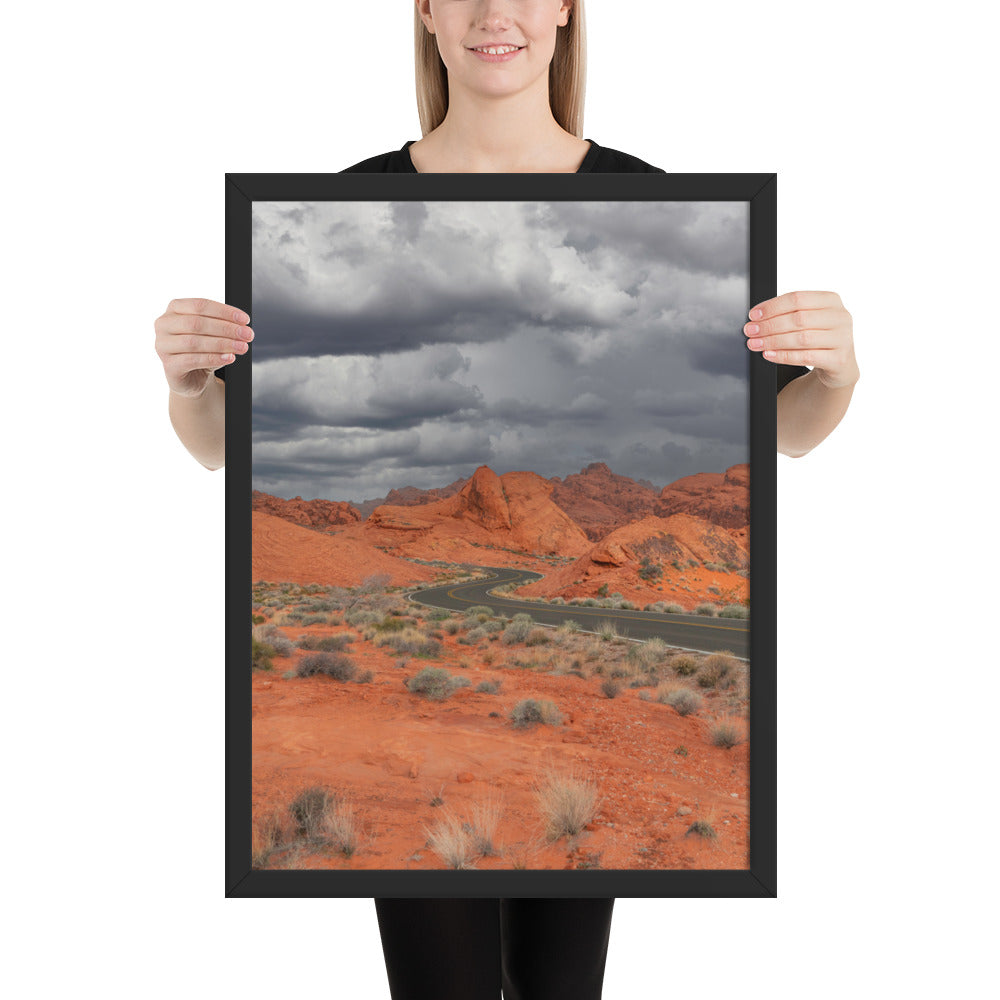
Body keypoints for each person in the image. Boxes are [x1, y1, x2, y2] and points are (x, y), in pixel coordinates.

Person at [154, 2, 860, 998]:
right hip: (426, 749)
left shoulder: (647, 199)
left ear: (567, 10)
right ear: (427, 13)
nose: (498, 13)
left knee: (560, 988)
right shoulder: (344, 204)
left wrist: (836, 375)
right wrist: (190, 387)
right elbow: (225, 451)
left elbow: (775, 434)